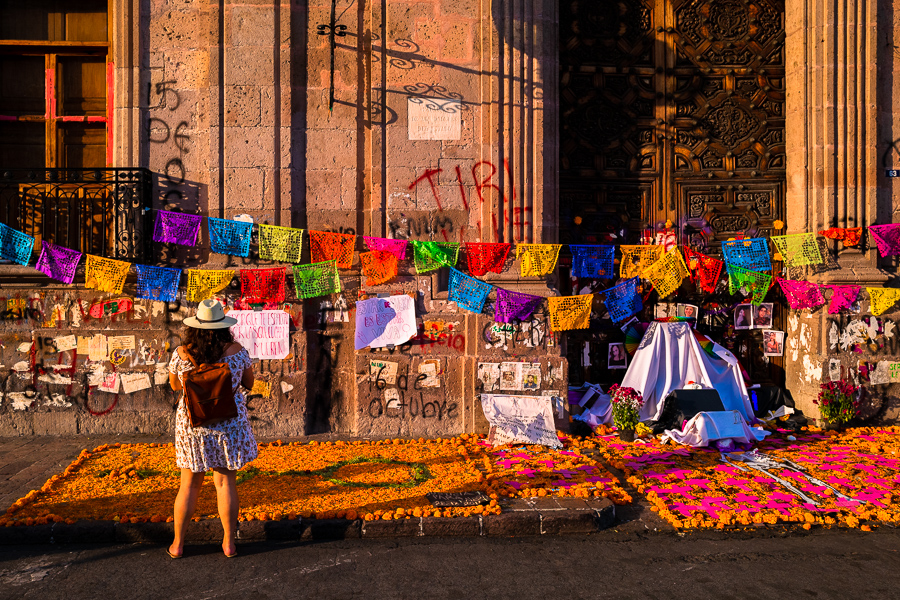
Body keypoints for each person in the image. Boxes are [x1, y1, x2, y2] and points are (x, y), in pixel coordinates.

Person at [167, 299, 257, 559]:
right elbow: (249, 383)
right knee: (225, 482)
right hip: (228, 424)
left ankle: (178, 544)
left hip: (193, 425)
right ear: (223, 326)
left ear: (194, 327)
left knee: (189, 486)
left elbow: (175, 386)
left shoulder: (181, 353)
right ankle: (228, 543)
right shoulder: (237, 351)